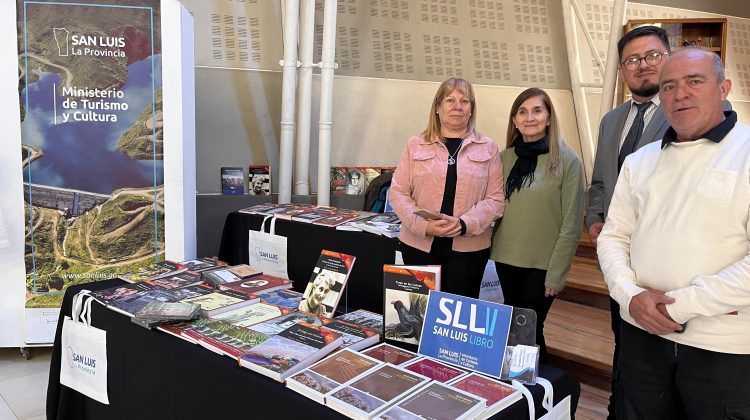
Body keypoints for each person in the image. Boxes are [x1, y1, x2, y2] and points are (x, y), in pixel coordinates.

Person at [597, 48, 750, 419]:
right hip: (641, 336)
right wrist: (630, 295)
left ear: (723, 87)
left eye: (694, 81)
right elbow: (613, 236)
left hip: (722, 348)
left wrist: (679, 306)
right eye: (668, 86)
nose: (679, 94)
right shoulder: (640, 161)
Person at [587, 25, 671, 419]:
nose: (642, 66)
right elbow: (600, 181)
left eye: (652, 56)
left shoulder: (683, 115)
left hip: (662, 254)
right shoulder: (611, 121)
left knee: (655, 348)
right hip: (616, 253)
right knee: (623, 336)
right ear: (622, 71)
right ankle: (618, 406)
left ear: (667, 58)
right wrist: (594, 221)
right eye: (632, 60)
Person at [490, 87, 584, 363]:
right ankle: (520, 386)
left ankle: (540, 387)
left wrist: (557, 273)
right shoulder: (503, 159)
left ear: (549, 117)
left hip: (542, 264)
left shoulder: (568, 161)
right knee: (516, 326)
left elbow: (571, 224)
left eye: (537, 110)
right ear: (514, 120)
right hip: (506, 258)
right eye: (522, 111)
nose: (529, 117)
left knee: (530, 327)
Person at [390, 77, 504, 298]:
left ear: (472, 109)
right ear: (438, 107)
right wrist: (423, 226)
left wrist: (463, 224)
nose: (457, 106)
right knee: (418, 315)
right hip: (418, 246)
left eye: (465, 101)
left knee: (456, 322)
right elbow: (398, 192)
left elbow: (496, 199)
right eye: (450, 100)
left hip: (469, 250)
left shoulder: (488, 148)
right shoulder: (415, 144)